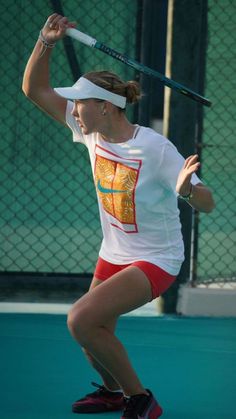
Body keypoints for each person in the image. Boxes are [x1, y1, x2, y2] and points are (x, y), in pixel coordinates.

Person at [22, 13, 215, 419]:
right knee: (93, 341)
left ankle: (140, 399)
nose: (73, 110)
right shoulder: (90, 132)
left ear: (106, 107)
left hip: (156, 259)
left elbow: (207, 201)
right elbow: (34, 88)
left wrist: (186, 192)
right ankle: (111, 393)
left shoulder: (156, 149)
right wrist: (47, 40)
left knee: (80, 320)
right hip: (114, 252)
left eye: (80, 103)